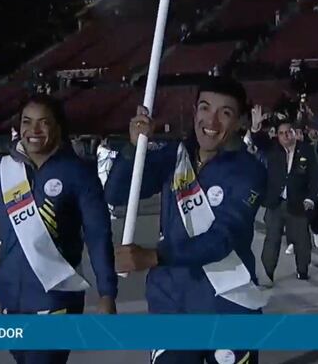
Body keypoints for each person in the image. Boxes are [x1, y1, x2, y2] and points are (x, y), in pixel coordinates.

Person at [0, 94, 117, 364]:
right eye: (27, 122)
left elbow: (98, 237)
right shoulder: (3, 170)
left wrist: (107, 293)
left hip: (57, 301)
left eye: (43, 123)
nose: (33, 131)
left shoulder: (79, 174)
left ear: (59, 127)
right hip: (12, 302)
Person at [107, 76, 268, 364]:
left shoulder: (249, 172)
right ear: (194, 111)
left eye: (225, 113)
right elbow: (117, 193)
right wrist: (134, 148)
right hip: (172, 304)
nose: (212, 121)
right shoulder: (174, 157)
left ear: (242, 122)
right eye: (205, 108)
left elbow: (221, 240)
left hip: (228, 305)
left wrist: (154, 256)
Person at [259, 120, 318, 284]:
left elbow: (315, 176)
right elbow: (258, 140)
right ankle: (268, 273)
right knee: (272, 239)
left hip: (299, 202)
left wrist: (311, 198)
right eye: (281, 133)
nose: (285, 135)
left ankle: (302, 270)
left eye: (289, 132)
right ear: (277, 136)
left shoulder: (307, 150)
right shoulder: (274, 150)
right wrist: (256, 127)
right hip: (275, 203)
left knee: (302, 240)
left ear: (295, 133)